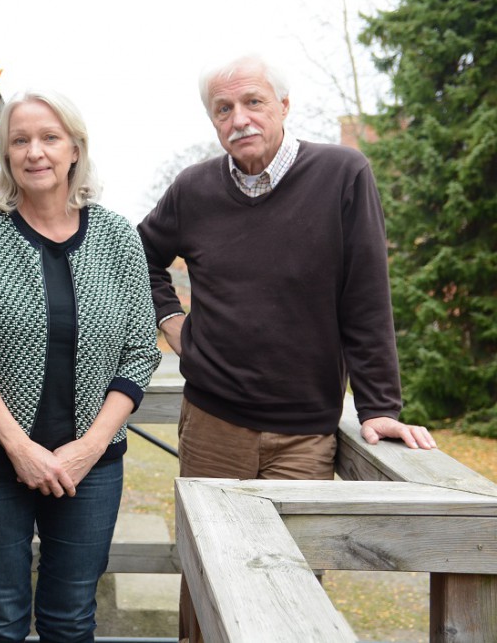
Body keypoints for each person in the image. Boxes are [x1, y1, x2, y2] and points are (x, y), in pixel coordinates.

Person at [135, 53, 437, 643]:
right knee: (203, 589)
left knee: (291, 601)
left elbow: (367, 297)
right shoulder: (194, 188)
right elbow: (137, 258)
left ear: (284, 108)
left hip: (304, 434)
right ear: (213, 120)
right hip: (212, 426)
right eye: (224, 109)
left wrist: (380, 409)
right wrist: (174, 325)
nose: (239, 119)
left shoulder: (343, 175)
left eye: (253, 103)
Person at [0, 89, 160, 643]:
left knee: (71, 617)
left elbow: (140, 351)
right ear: (5, 155)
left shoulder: (116, 236)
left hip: (93, 467)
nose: (35, 152)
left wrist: (89, 447)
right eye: (20, 140)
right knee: (0, 618)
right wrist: (19, 447)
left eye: (49, 138)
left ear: (75, 149)